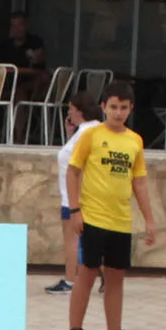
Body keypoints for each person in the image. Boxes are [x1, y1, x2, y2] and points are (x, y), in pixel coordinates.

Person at [63, 79, 160, 330]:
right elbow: (73, 172)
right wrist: (75, 209)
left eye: (124, 108)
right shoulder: (91, 136)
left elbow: (139, 184)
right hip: (93, 218)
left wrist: (149, 220)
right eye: (114, 107)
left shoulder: (134, 141)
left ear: (131, 109)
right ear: (104, 107)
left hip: (120, 221)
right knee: (87, 274)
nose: (118, 112)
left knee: (116, 279)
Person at [49, 96, 93, 294]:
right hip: (77, 195)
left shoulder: (86, 132)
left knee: (72, 241)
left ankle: (70, 279)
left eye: (71, 110)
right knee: (87, 241)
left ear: (79, 110)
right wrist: (70, 133)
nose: (69, 114)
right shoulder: (85, 132)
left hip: (73, 197)